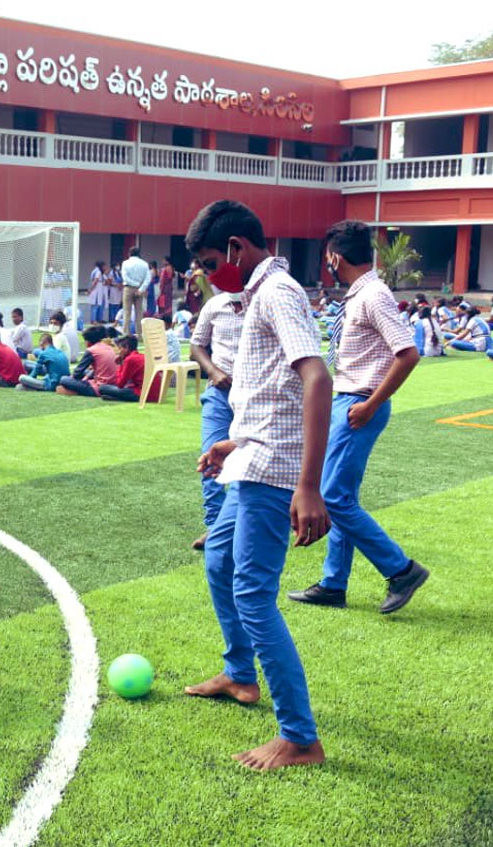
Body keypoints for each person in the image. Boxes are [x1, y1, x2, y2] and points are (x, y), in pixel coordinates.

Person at [184, 199, 330, 771]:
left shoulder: (277, 293)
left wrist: (309, 487)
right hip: (251, 458)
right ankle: (241, 676)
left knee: (253, 594)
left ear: (238, 250)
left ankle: (299, 736)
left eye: (209, 261)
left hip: (275, 474)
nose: (207, 274)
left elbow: (316, 377)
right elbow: (273, 392)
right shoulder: (252, 296)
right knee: (218, 561)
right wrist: (232, 442)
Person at [287, 219, 427, 616]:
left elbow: (408, 353)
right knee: (340, 496)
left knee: (332, 496)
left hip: (359, 404)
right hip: (349, 400)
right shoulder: (361, 294)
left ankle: (401, 570)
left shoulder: (373, 296)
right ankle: (333, 583)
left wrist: (370, 404)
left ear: (334, 256)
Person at [189, 289, 245, 550]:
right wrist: (213, 370)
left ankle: (236, 525)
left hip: (252, 395)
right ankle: (214, 526)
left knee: (249, 461)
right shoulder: (215, 304)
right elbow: (196, 346)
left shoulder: (263, 300)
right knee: (210, 456)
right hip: (219, 393)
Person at [58, 325, 116, 396]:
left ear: (88, 341)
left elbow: (77, 373)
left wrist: (74, 378)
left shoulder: (92, 350)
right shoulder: (108, 347)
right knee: (86, 372)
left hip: (98, 387)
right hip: (112, 384)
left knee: (63, 379)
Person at [99, 335, 154, 401]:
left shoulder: (130, 359)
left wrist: (121, 364)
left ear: (126, 348)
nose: (119, 351)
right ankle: (117, 398)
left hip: (143, 394)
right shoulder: (142, 356)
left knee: (102, 388)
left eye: (120, 348)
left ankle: (118, 398)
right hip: (154, 393)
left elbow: (120, 384)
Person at [120, 246, 152, 335]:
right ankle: (140, 334)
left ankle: (126, 333)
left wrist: (134, 284)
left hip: (128, 288)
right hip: (140, 289)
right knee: (139, 313)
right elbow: (148, 278)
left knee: (127, 312)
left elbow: (125, 277)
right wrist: (141, 288)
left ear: (129, 253)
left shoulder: (125, 263)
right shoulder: (144, 264)